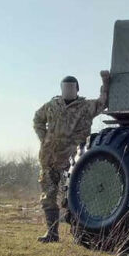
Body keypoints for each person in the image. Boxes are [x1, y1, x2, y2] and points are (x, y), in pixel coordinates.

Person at [33, 70, 110, 243]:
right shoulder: (51, 106)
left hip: (73, 161)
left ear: (77, 89)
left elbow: (102, 102)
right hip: (49, 159)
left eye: (71, 87)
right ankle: (52, 233)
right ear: (61, 89)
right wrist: (44, 138)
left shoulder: (85, 107)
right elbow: (37, 119)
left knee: (78, 197)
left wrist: (105, 83)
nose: (68, 90)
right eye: (65, 87)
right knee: (48, 197)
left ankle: (82, 234)